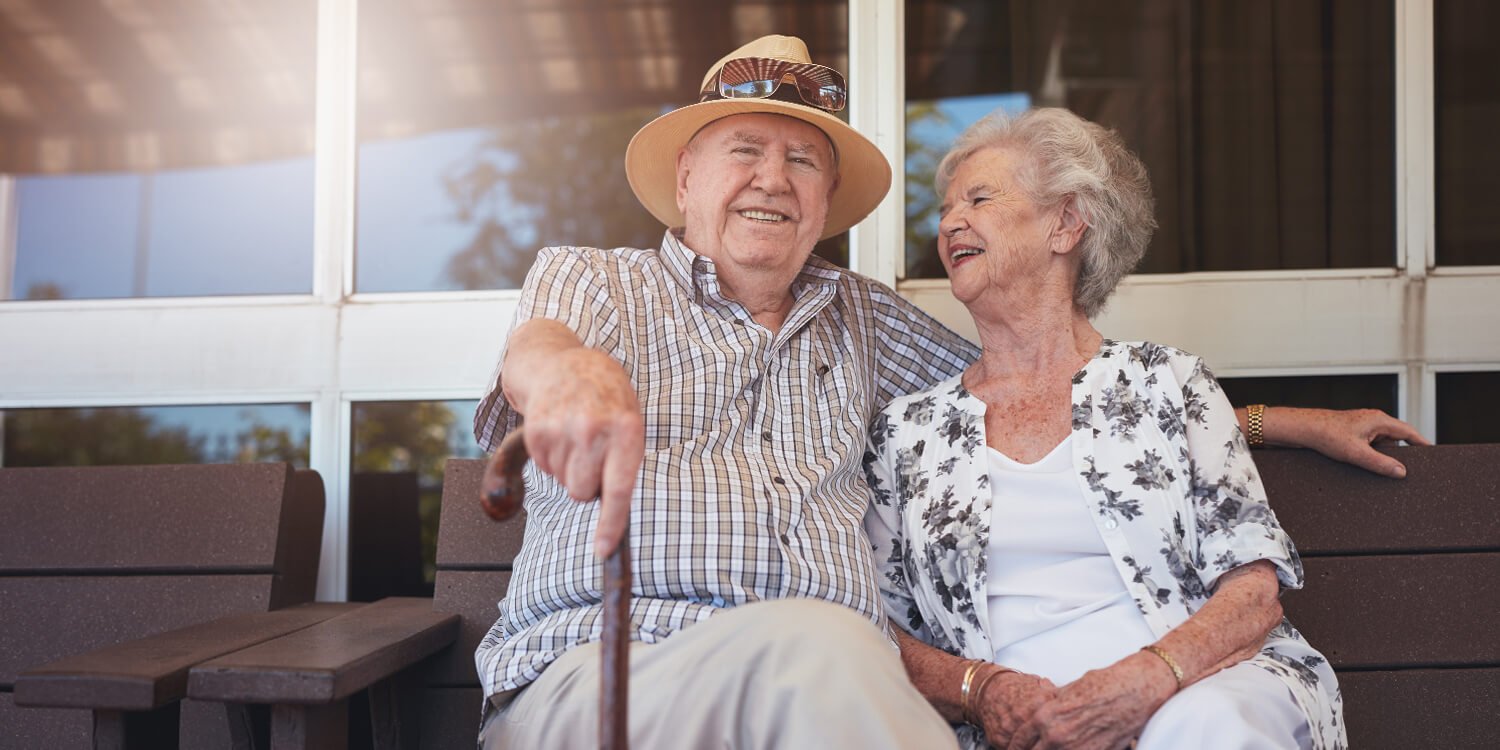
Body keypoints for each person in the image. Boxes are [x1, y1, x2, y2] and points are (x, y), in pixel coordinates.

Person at [473, 35, 1418, 748]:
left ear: (826, 201)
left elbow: (1041, 383)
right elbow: (542, 352)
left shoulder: (862, 323)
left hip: (830, 699)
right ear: (686, 179)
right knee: (826, 648)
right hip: (613, 674)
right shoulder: (598, 284)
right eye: (744, 151)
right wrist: (577, 378)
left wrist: (1282, 419)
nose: (773, 179)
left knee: (838, 663)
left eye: (802, 161)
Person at [863, 107, 1351, 750]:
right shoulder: (908, 432)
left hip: (1195, 691)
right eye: (947, 207)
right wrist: (980, 691)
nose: (950, 222)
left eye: (979, 198)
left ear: (1066, 223)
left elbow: (1253, 596)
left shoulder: (1168, 382)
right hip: (1016, 727)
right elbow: (880, 632)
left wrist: (1149, 681)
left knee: (1205, 728)